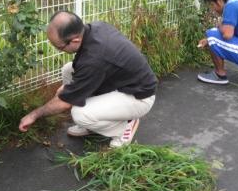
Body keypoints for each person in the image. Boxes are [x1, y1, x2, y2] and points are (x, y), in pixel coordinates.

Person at [19, 11, 157, 148]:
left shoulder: (94, 59)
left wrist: (34, 115)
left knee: (79, 114)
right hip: (120, 81)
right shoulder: (95, 28)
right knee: (68, 69)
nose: (58, 50)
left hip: (138, 97)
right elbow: (89, 70)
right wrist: (72, 90)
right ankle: (94, 123)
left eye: (59, 47)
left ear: (75, 40)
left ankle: (124, 127)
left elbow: (65, 102)